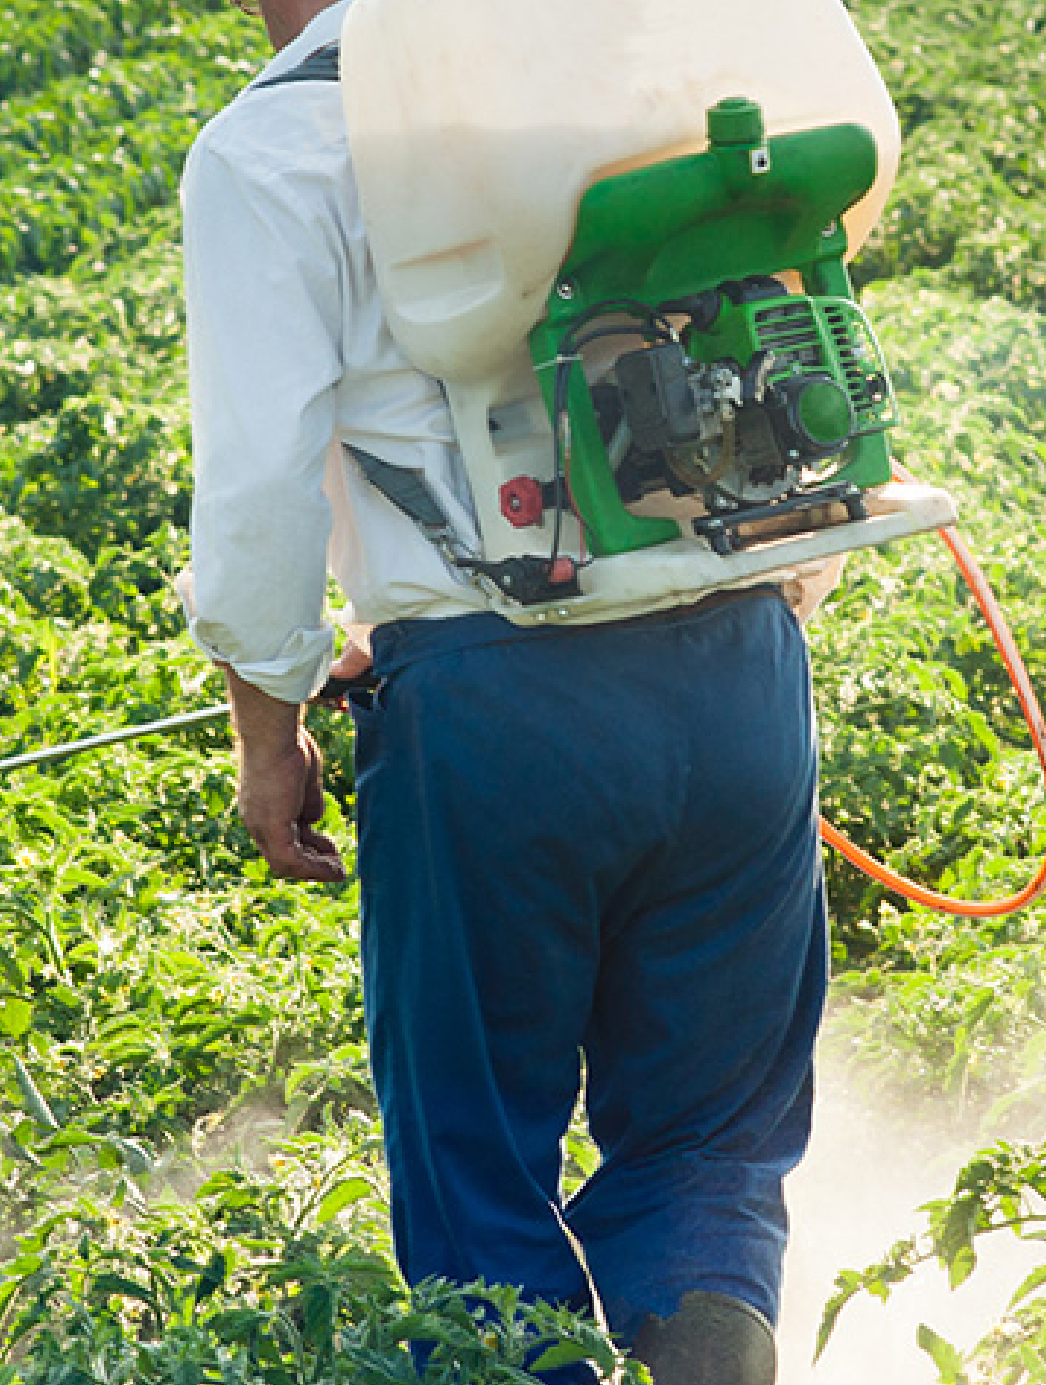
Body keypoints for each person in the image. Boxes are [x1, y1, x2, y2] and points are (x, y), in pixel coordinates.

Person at [176, 0, 829, 1381]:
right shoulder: (619, 64)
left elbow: (256, 501)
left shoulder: (276, 147)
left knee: (480, 1194)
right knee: (709, 1149)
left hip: (493, 708)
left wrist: (268, 724)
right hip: (737, 672)